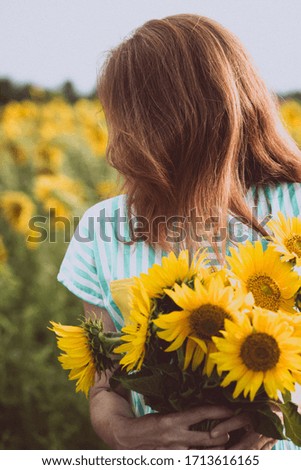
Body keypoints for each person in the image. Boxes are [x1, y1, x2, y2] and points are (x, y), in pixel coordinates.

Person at [57, 14, 301, 449]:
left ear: (184, 119)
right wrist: (128, 433)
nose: (118, 143)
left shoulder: (293, 208)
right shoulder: (100, 230)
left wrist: (281, 411)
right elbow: (104, 387)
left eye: (128, 120)